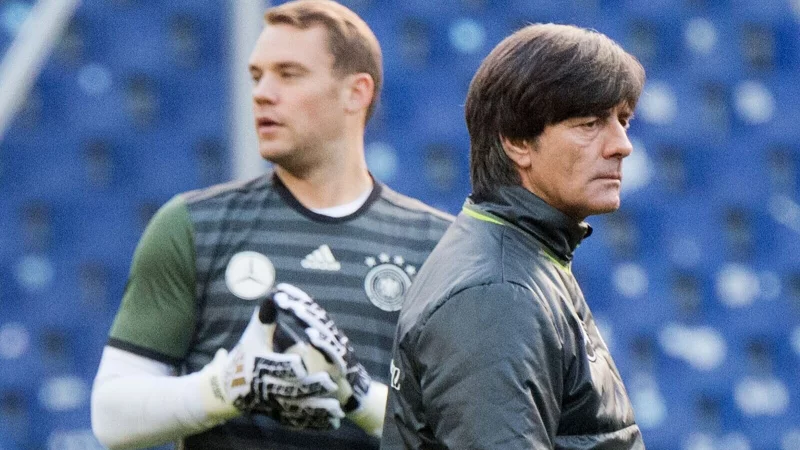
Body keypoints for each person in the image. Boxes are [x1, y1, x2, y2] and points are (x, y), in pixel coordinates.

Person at [90, 1, 452, 449]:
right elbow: (112, 417)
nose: (262, 92)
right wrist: (224, 388)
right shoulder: (191, 225)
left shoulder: (439, 246)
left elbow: (465, 433)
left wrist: (358, 396)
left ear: (356, 92)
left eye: (289, 73)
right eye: (257, 75)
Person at [381, 23, 647, 449]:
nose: (621, 145)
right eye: (590, 123)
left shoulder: (522, 257)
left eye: (623, 121)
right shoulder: (497, 293)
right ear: (517, 141)